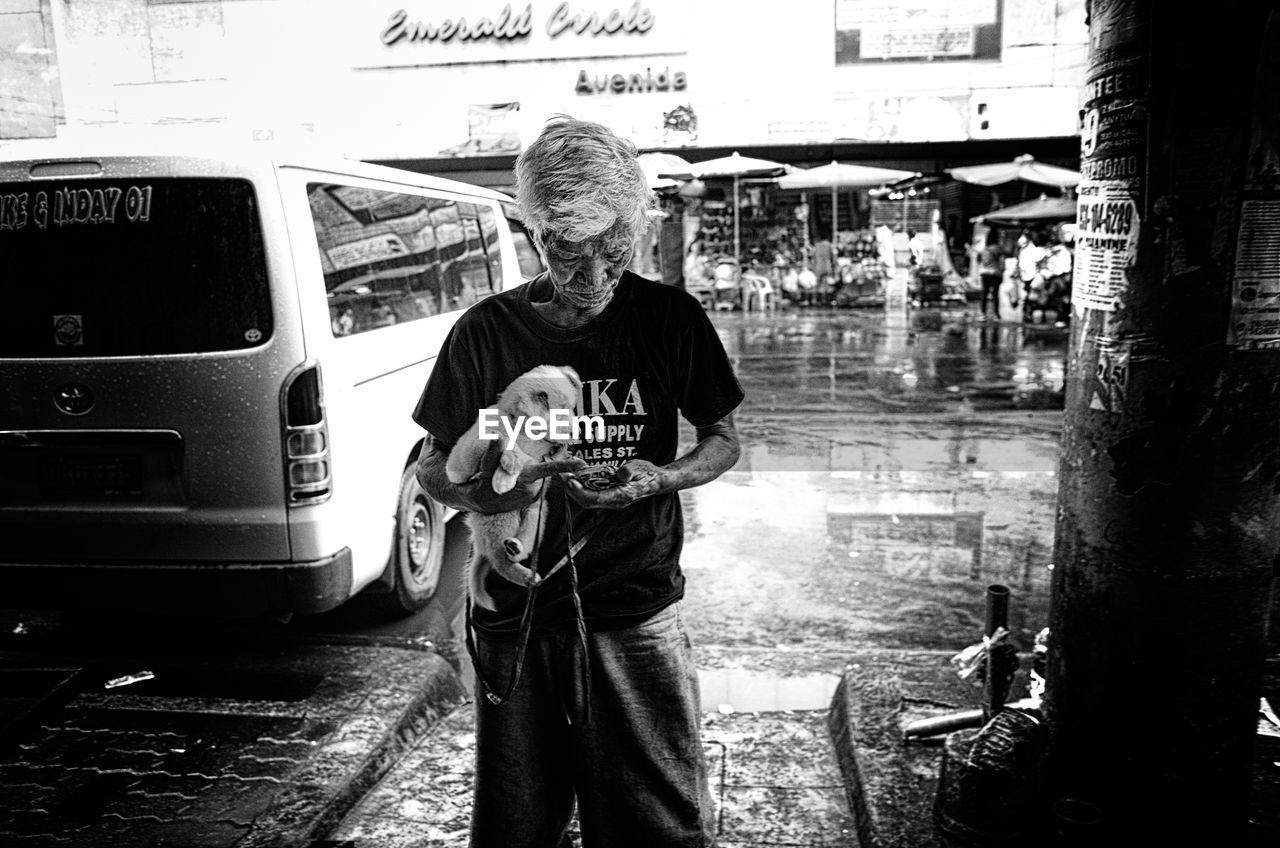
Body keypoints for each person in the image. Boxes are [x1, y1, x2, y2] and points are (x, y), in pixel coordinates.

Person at [412, 115, 743, 848]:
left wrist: (657, 478)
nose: (593, 277)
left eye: (613, 250)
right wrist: (500, 494)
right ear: (534, 235)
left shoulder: (670, 321)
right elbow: (434, 465)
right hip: (514, 619)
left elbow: (723, 442)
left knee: (655, 825)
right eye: (568, 254)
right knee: (519, 826)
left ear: (635, 229)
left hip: (633, 610)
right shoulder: (485, 332)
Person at [977, 234, 1005, 319]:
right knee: (995, 294)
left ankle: (983, 313)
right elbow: (1002, 260)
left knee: (984, 293)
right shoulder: (998, 249)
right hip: (995, 273)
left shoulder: (983, 249)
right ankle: (996, 314)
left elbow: (978, 259)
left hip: (984, 273)